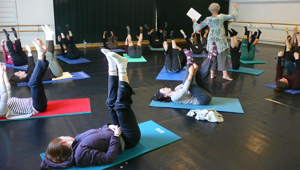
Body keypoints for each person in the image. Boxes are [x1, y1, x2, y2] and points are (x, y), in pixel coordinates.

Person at [40, 49, 141, 169]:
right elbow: (108, 157)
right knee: (121, 107)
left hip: (116, 130)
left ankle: (112, 66)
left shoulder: (77, 140)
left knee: (110, 103)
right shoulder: (80, 155)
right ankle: (122, 66)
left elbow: (98, 131)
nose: (64, 135)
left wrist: (108, 127)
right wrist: (115, 136)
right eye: (62, 137)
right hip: (128, 139)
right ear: (62, 142)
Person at [0, 38, 49, 119]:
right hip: (37, 106)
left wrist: (4, 72)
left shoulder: (6, 103)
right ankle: (41, 54)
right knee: (32, 83)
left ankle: (42, 54)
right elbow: (4, 94)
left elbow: (8, 89)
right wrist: (0, 74)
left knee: (36, 80)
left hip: (36, 101)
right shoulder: (1, 110)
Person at [193, 3, 238, 81]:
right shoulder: (221, 17)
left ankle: (212, 73)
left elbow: (198, 27)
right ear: (218, 9)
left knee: (212, 56)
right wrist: (235, 8)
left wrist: (194, 22)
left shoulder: (208, 19)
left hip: (211, 40)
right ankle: (225, 74)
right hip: (220, 40)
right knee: (223, 56)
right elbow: (232, 15)